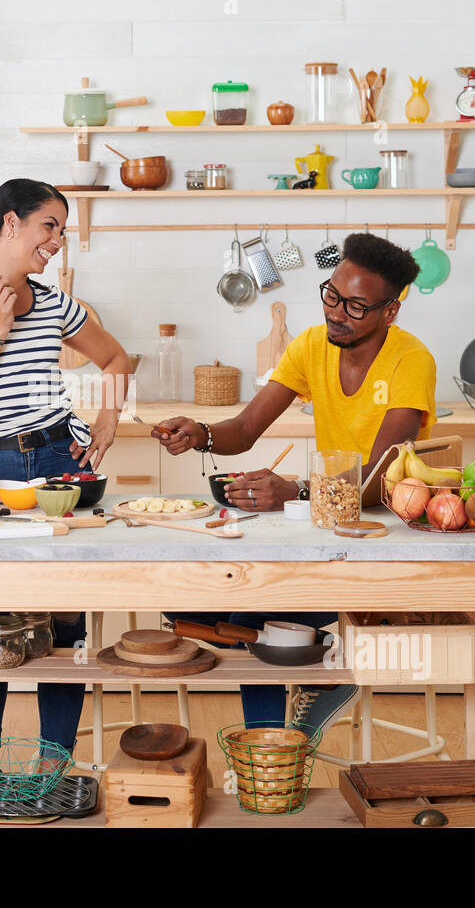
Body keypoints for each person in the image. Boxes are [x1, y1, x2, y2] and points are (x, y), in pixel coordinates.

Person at [153, 232, 435, 729]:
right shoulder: (310, 347)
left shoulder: (411, 361)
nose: (335, 312)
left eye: (355, 306)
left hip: (384, 538)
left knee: (251, 618)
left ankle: (285, 731)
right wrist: (200, 434)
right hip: (328, 529)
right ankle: (283, 733)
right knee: (232, 609)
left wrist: (297, 491)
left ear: (389, 312)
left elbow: (378, 481)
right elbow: (243, 430)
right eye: (331, 294)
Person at [0, 178, 132, 762]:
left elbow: (115, 357)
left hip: (59, 459)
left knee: (64, 620)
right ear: (10, 223)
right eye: (50, 226)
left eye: (63, 231)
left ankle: (56, 764)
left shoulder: (56, 303)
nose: (59, 241)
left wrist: (108, 421)